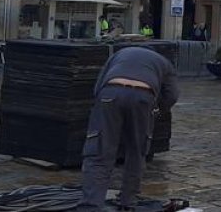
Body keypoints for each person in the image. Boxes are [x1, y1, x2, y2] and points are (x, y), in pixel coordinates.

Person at [77, 46, 179, 211]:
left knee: (100, 153)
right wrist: (157, 112)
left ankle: (90, 206)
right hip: (143, 97)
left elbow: (98, 85)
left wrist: (102, 110)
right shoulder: (165, 64)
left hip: (109, 93)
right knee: (136, 152)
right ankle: (127, 201)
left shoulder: (119, 54)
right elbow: (172, 96)